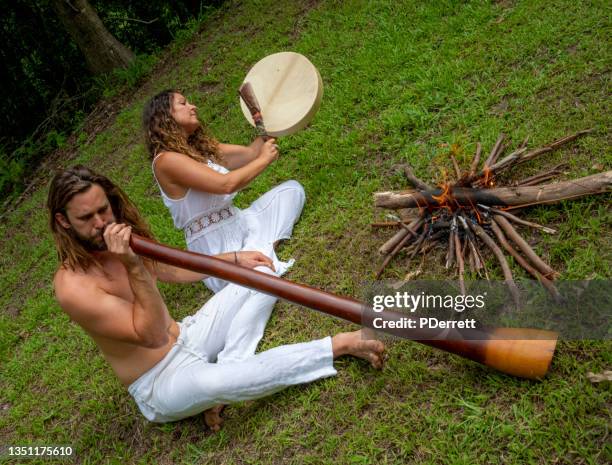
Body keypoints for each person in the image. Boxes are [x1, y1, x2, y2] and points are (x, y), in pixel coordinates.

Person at [48, 165, 384, 429]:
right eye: (86, 218)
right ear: (63, 222)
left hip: (188, 334)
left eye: (103, 211)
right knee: (224, 381)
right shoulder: (72, 287)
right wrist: (133, 266)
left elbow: (171, 270)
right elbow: (149, 336)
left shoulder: (117, 235)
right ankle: (337, 345)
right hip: (161, 379)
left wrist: (235, 261)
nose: (101, 223)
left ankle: (229, 364)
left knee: (263, 274)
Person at [143, 89, 305, 293]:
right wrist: (264, 160)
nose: (193, 107)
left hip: (240, 223)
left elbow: (250, 153)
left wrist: (268, 118)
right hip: (216, 247)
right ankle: (258, 260)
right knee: (263, 278)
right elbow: (225, 184)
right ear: (165, 117)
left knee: (292, 190)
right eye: (183, 103)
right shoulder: (166, 161)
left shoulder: (197, 149)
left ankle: (261, 253)